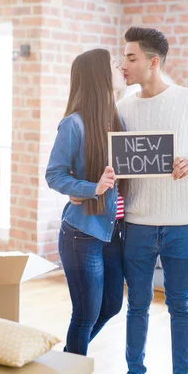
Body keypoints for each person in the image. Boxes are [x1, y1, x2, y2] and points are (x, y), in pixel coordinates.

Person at [113, 27, 188, 374]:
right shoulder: (123, 107)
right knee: (138, 306)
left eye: (131, 58)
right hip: (137, 224)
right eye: (123, 57)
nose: (123, 65)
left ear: (152, 61)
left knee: (180, 305)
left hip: (180, 225)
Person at [45, 48, 128, 357]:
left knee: (112, 306)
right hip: (83, 233)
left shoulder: (118, 119)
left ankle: (67, 360)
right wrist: (92, 187)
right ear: (98, 75)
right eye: (113, 64)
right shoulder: (74, 125)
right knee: (85, 315)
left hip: (113, 233)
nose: (120, 67)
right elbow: (54, 175)